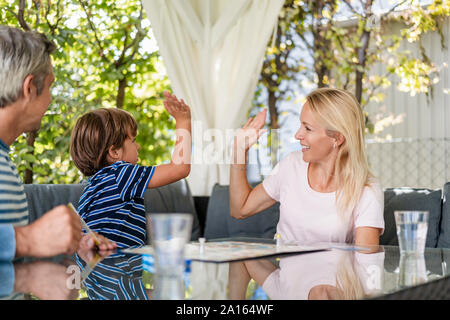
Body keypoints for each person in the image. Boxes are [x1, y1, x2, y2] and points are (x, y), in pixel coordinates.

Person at [0, 26, 115, 261]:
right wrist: (28, 239)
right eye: (50, 86)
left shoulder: (5, 161)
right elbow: (20, 242)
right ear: (29, 88)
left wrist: (64, 241)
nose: (51, 99)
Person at [230, 87, 384, 246]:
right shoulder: (291, 166)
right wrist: (239, 151)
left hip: (332, 271)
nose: (297, 135)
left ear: (337, 138)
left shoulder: (366, 190)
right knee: (239, 262)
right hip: (285, 269)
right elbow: (240, 209)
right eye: (301, 125)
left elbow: (366, 262)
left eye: (308, 128)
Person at [70, 95, 191, 248]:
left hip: (97, 268)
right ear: (114, 152)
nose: (138, 146)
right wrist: (183, 121)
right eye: (133, 140)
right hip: (118, 267)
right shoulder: (121, 174)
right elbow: (179, 168)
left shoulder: (91, 187)